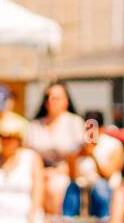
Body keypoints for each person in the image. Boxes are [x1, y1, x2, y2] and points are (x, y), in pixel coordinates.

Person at [25, 80, 86, 215]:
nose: (52, 101)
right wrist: (40, 172)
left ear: (66, 101)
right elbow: (27, 153)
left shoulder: (75, 123)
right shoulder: (34, 125)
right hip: (38, 172)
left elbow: (80, 153)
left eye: (57, 98)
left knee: (54, 186)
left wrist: (60, 170)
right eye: (48, 97)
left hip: (67, 172)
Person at [62, 111, 124, 223]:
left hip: (105, 187)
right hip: (81, 187)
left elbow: (107, 174)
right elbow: (72, 176)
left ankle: (104, 221)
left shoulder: (113, 144)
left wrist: (93, 155)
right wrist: (76, 157)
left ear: (101, 128)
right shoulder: (77, 146)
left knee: (99, 186)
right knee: (72, 188)